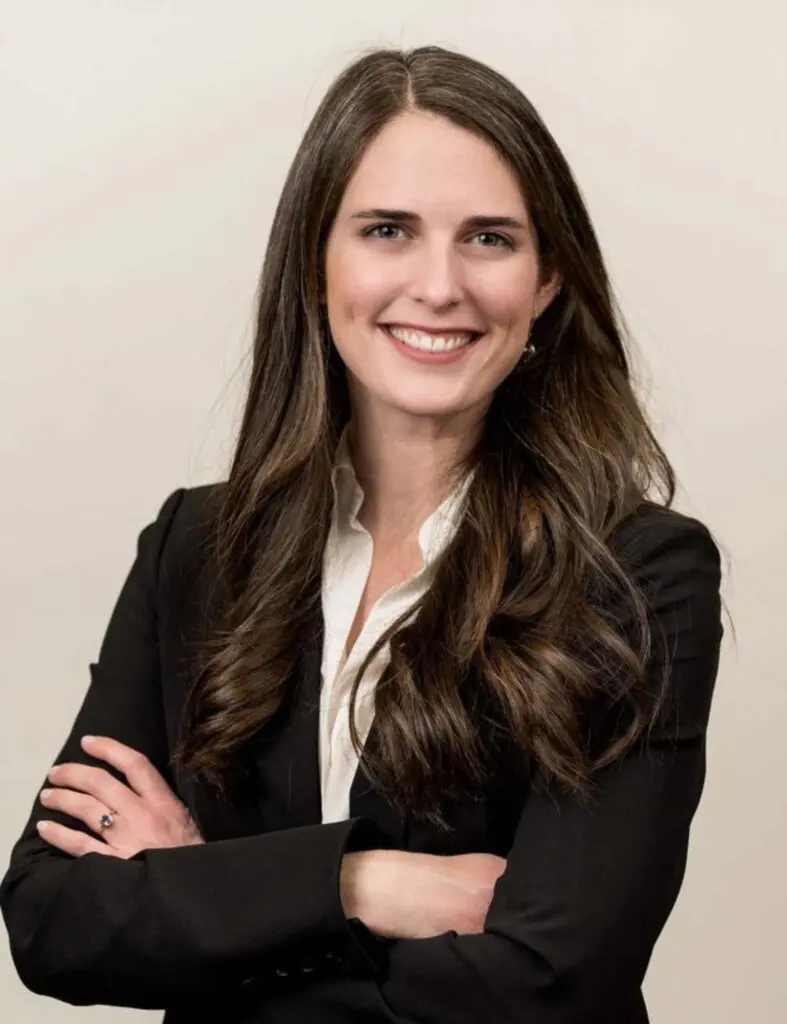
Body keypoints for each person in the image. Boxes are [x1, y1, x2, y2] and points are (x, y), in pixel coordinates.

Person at [0, 44, 724, 1024]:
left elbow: (544, 988)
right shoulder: (196, 548)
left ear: (549, 281)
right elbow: (52, 920)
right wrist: (362, 884)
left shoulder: (637, 573)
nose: (438, 285)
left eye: (489, 238)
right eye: (388, 229)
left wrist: (210, 892)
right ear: (315, 259)